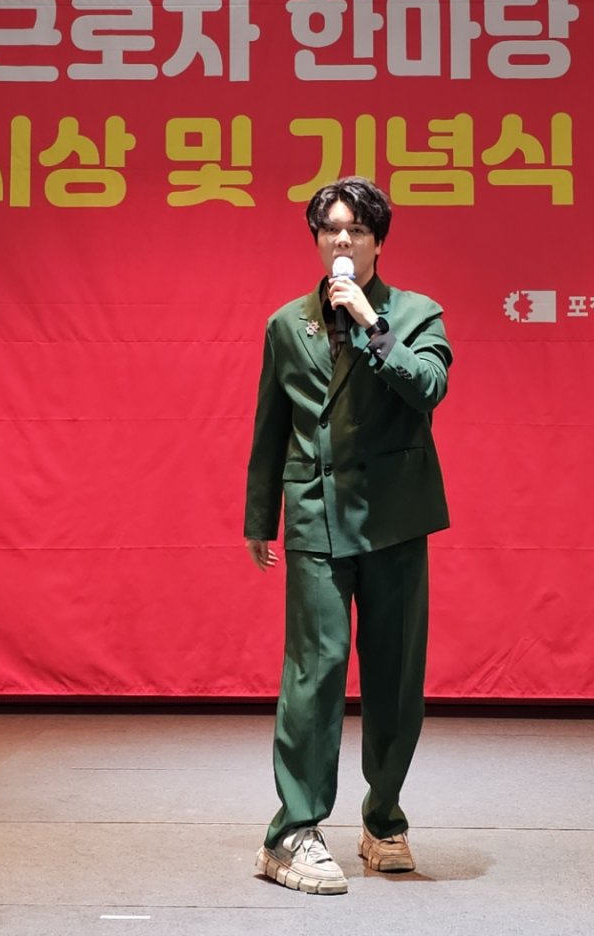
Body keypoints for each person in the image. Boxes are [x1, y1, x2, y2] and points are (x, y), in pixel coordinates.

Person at [244, 176, 453, 894]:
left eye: (356, 230)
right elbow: (271, 423)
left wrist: (372, 324)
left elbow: (427, 388)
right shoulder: (287, 324)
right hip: (314, 511)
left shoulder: (416, 313)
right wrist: (259, 516)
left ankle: (383, 819)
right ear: (316, 240)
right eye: (330, 229)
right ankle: (292, 831)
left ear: (377, 242)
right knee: (315, 668)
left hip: (394, 516)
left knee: (395, 676)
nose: (342, 240)